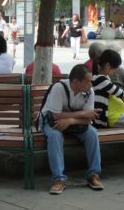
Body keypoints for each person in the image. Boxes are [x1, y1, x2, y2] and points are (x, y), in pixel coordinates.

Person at [39, 64, 104, 194]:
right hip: (52, 121)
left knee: (92, 133)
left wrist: (71, 120)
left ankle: (93, 175)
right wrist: (82, 114)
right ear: (75, 82)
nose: (90, 84)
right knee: (55, 136)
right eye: (87, 81)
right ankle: (59, 179)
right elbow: (55, 115)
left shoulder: (89, 92)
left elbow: (88, 118)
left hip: (74, 123)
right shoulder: (59, 88)